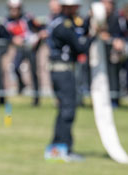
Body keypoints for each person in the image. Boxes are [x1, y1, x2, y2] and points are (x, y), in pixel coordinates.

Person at [46, 0, 89, 161]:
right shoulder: (63, 25)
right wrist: (93, 37)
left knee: (64, 110)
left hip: (60, 71)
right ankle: (64, 148)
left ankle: (57, 148)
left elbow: (78, 30)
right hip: (63, 71)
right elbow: (80, 48)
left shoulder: (63, 22)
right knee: (68, 110)